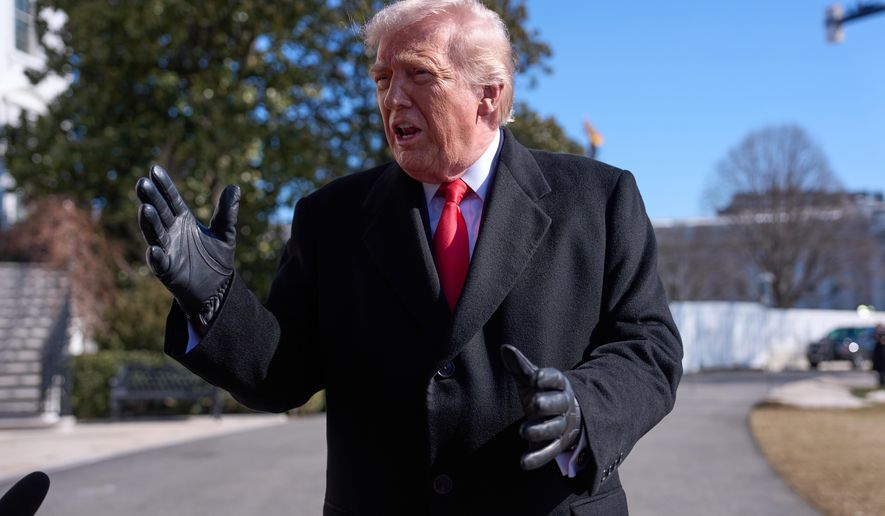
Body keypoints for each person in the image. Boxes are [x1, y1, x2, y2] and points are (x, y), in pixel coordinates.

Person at [135, 1, 682, 514]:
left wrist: (585, 406)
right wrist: (213, 301)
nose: (393, 97)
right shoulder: (330, 217)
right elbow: (281, 374)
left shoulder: (597, 199)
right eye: (382, 79)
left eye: (419, 74)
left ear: (488, 96)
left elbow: (648, 346)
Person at [873, 324, 885, 388]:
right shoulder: (876, 334)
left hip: (882, 355)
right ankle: (881, 383)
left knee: (882, 370)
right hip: (878, 355)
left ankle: (882, 382)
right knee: (880, 370)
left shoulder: (883, 335)